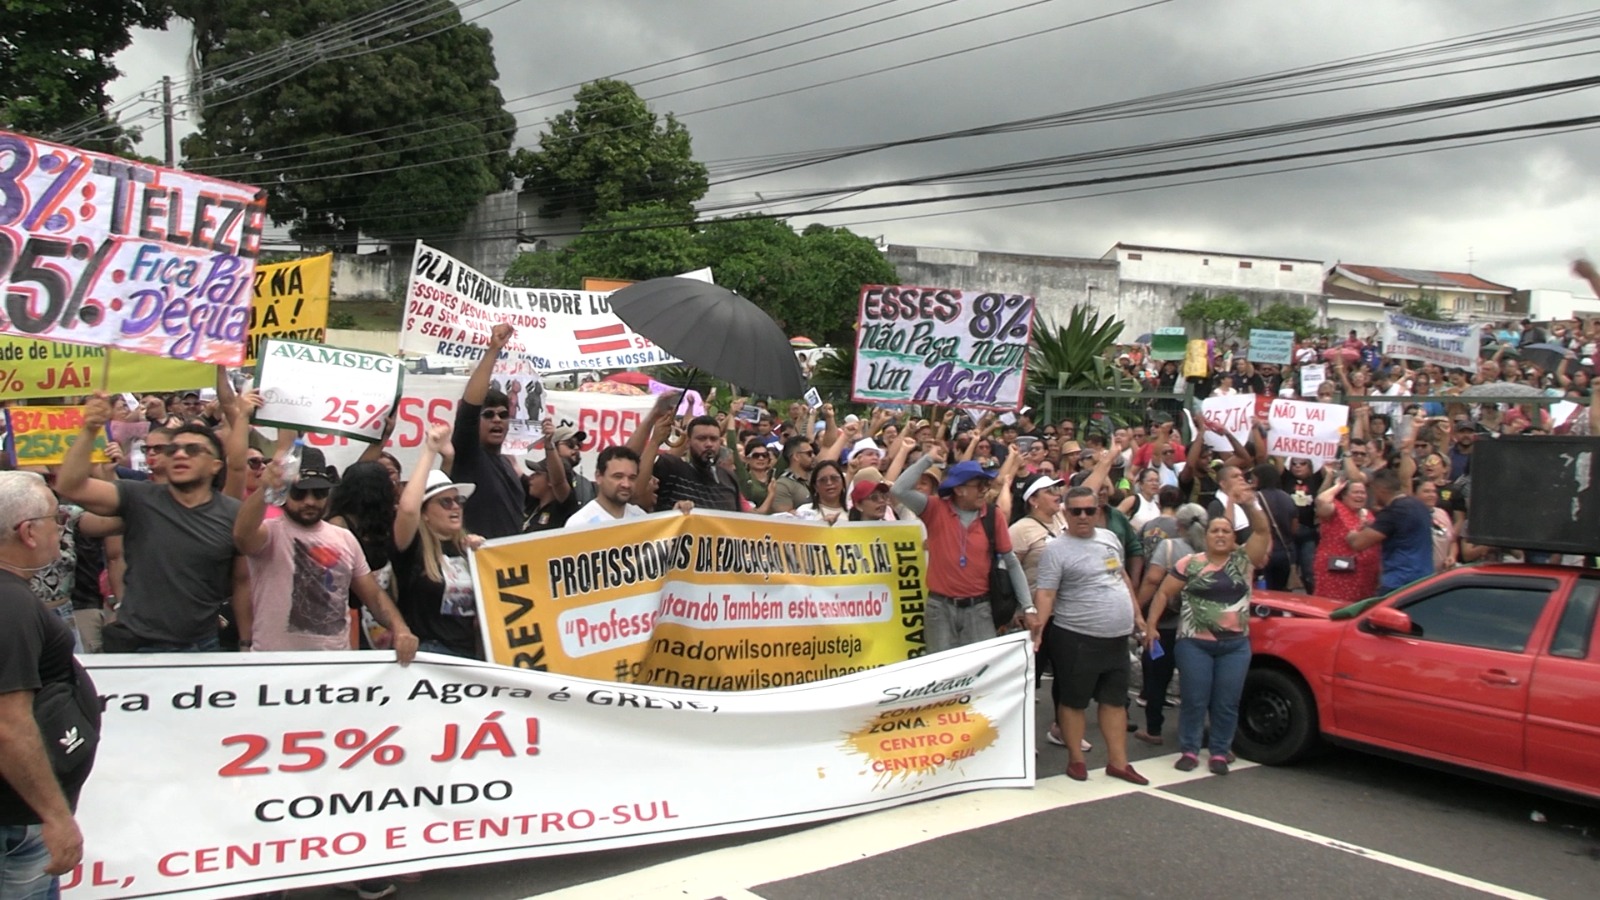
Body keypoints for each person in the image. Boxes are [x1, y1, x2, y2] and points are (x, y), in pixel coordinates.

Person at [56, 396, 242, 652]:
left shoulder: (232, 512)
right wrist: (89, 430)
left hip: (203, 644)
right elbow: (70, 486)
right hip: (140, 645)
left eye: (192, 450)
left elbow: (243, 581)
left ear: (215, 466)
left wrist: (246, 641)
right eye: (173, 449)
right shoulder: (138, 497)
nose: (179, 454)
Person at [0, 472, 91, 899]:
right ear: (28, 532)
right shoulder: (11, 603)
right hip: (16, 821)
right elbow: (9, 724)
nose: (62, 528)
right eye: (56, 519)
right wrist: (55, 816)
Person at [234, 451, 418, 661]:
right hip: (275, 664)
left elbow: (374, 596)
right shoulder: (269, 533)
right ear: (285, 492)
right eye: (299, 493)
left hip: (333, 668)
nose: (310, 501)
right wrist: (265, 489)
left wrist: (401, 628)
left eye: (319, 492)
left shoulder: (344, 539)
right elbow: (242, 535)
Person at [1029, 486, 1149, 785]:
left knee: (1114, 701)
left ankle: (1118, 763)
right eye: (1075, 511)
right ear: (1065, 513)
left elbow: (1120, 576)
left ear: (1098, 511)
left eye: (1089, 510)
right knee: (1074, 702)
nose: (1083, 516)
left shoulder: (1109, 539)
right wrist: (1039, 631)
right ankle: (1076, 760)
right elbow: (1046, 592)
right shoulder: (1056, 548)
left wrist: (1137, 615)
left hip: (1117, 638)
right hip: (1077, 637)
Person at [1146, 486, 1270, 775]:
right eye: (1215, 530)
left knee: (1227, 701)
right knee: (1194, 698)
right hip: (1194, 644)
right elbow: (1163, 594)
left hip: (1235, 645)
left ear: (1234, 537)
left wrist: (1251, 505)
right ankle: (1189, 749)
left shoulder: (1243, 562)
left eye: (1226, 530)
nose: (1220, 535)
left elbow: (1262, 533)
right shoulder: (1190, 564)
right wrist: (1151, 625)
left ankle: (1218, 751)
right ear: (1207, 534)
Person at [891, 447, 1030, 652]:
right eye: (979, 485)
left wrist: (1028, 606)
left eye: (986, 484)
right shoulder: (934, 509)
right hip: (939, 609)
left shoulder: (994, 516)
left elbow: (1011, 561)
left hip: (980, 609)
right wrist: (927, 459)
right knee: (943, 675)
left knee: (981, 673)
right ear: (959, 489)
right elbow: (898, 490)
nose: (985, 489)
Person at [392, 426, 481, 659]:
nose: (455, 507)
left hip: (469, 656)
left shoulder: (466, 549)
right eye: (445, 502)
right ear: (425, 513)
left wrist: (482, 558)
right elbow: (408, 508)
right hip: (430, 656)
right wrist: (430, 450)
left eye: (458, 500)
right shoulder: (414, 548)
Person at [1133, 503, 1208, 745]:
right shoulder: (1212, 551)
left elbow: (1153, 581)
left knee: (1156, 675)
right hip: (1198, 626)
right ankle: (1196, 731)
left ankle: (1153, 729)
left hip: (1164, 625)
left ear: (1178, 525)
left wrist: (1136, 610)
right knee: (1196, 681)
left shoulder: (1168, 547)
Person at [450, 323, 525, 539]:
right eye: (489, 414)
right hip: (476, 563)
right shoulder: (468, 456)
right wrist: (494, 349)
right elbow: (469, 409)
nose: (497, 420)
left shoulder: (507, 464)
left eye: (503, 415)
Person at [641, 395, 742, 511]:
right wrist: (655, 441)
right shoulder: (671, 468)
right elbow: (639, 488)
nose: (709, 444)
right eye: (702, 438)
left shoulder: (729, 478)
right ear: (688, 442)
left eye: (713, 439)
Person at [1346, 467, 1436, 593]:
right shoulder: (1419, 505)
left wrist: (1351, 534)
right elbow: (1402, 530)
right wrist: (1373, 525)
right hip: (1424, 579)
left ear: (1380, 489)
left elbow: (1358, 543)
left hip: (1399, 582)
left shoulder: (1393, 511)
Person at [1311, 476, 1380, 602]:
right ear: (1343, 495)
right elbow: (1321, 500)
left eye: (1363, 493)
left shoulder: (1367, 513)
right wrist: (1338, 486)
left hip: (1365, 574)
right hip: (1336, 572)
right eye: (1355, 492)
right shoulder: (1335, 509)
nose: (1360, 496)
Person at [570, 447, 664, 525]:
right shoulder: (580, 523)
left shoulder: (640, 516)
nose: (626, 484)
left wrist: (677, 514)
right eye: (618, 477)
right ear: (598, 476)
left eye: (632, 478)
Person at [769, 438, 816, 513]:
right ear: (796, 456)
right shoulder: (783, 485)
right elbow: (785, 518)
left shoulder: (816, 479)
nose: (813, 456)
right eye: (809, 453)